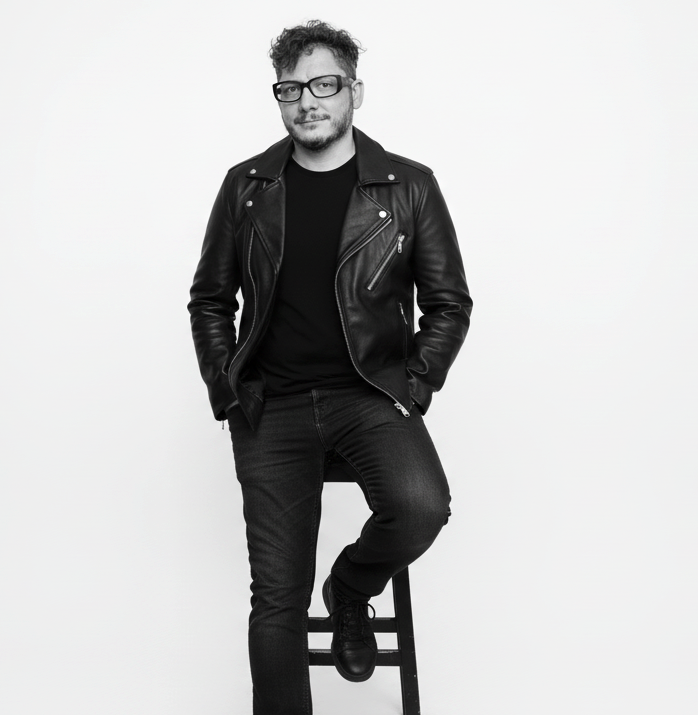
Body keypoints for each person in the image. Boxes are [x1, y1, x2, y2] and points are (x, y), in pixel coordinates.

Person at [188, 20, 472, 715]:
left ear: (354, 92)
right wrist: (228, 390)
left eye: (323, 85)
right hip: (271, 404)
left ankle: (348, 588)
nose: (307, 101)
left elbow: (448, 302)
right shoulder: (247, 186)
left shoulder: (408, 186)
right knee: (275, 600)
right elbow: (210, 299)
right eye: (291, 89)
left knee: (421, 507)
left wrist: (412, 386)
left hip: (369, 394)